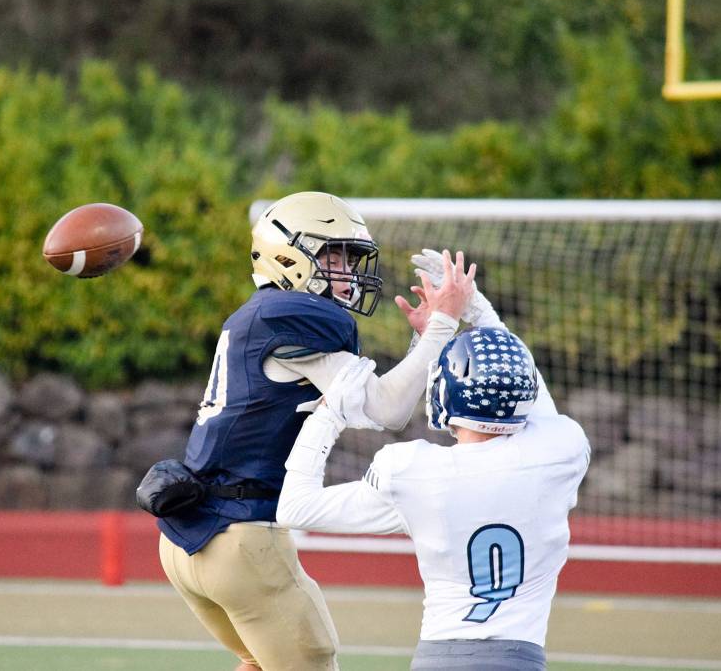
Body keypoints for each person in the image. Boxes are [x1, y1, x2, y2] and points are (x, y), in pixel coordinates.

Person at [142, 191, 475, 671]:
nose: (346, 269)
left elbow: (381, 404)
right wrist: (444, 322)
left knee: (260, 664)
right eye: (331, 254)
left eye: (348, 256)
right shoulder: (291, 318)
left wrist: (425, 338)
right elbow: (385, 410)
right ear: (287, 254)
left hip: (185, 535)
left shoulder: (258, 315)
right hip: (242, 538)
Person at [277, 254, 591, 671]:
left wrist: (330, 413)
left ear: (445, 393)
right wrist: (477, 308)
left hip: (438, 659)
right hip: (521, 660)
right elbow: (524, 382)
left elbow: (294, 507)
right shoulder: (561, 449)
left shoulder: (412, 472)